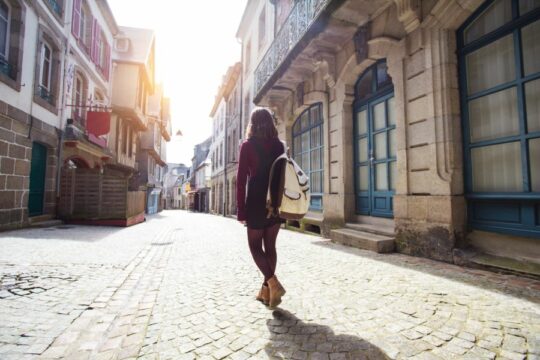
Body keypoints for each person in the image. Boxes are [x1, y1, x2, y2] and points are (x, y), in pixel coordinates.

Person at [237, 107, 286, 309]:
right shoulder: (280, 146)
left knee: (255, 247)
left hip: (257, 200)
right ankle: (266, 292)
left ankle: (273, 284)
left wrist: (241, 210)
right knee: (270, 247)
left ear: (252, 124)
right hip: (275, 200)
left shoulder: (247, 146)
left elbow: (240, 181)